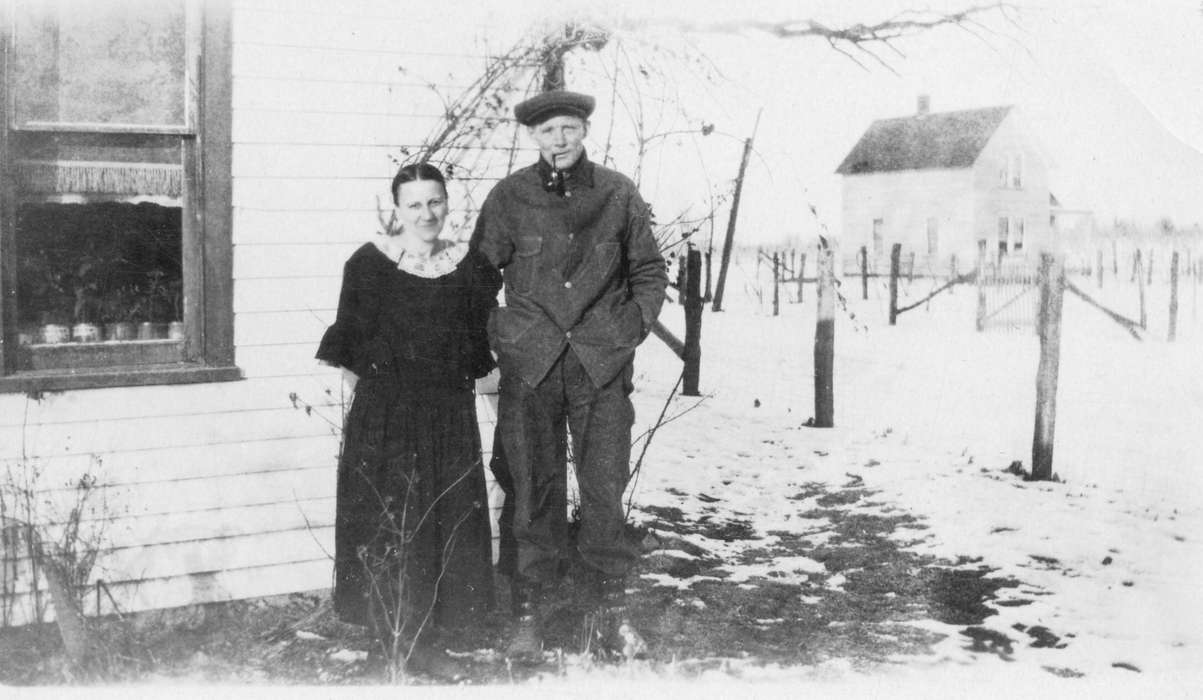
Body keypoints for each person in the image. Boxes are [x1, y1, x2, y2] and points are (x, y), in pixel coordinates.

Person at [470, 90, 668, 660]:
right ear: (533, 137)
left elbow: (648, 270)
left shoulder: (617, 193)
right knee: (532, 484)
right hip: (531, 366)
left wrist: (630, 326)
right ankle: (530, 614)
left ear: (584, 131)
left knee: (604, 486)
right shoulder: (509, 198)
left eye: (569, 129)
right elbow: (479, 277)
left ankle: (610, 612)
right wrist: (504, 337)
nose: (559, 140)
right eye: (548, 131)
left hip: (599, 366)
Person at [316, 162, 500, 678]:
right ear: (396, 209)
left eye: (435, 201)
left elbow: (477, 347)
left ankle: (428, 642)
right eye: (414, 204)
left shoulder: (469, 268)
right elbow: (352, 352)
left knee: (442, 524)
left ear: (448, 203)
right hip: (388, 418)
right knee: (390, 523)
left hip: (447, 418)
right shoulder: (369, 266)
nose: (426, 214)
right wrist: (375, 418)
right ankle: (389, 643)